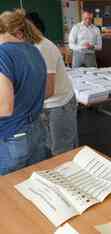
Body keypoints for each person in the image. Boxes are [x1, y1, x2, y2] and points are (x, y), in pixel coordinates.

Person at [0, 9, 48, 175]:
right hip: (37, 129)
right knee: (35, 184)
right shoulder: (34, 50)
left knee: (8, 193)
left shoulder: (3, 54)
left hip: (12, 136)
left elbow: (5, 107)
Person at [25, 12, 78, 156]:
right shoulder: (30, 48)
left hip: (59, 105)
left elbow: (49, 90)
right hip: (47, 106)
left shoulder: (43, 47)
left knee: (61, 150)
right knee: (50, 145)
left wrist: (26, 104)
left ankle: (69, 177)